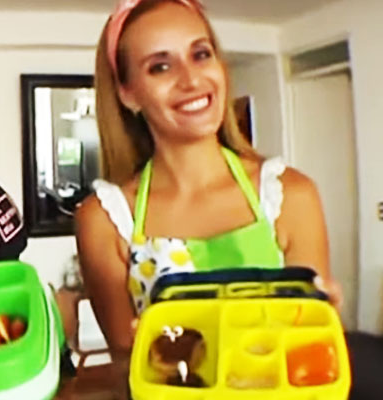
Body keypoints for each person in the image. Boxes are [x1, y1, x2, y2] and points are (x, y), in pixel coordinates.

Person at [74, 0, 342, 394]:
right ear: (128, 94)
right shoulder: (106, 218)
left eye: (200, 54)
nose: (191, 79)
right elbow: (126, 370)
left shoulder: (290, 195)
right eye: (160, 66)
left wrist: (322, 327)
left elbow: (307, 357)